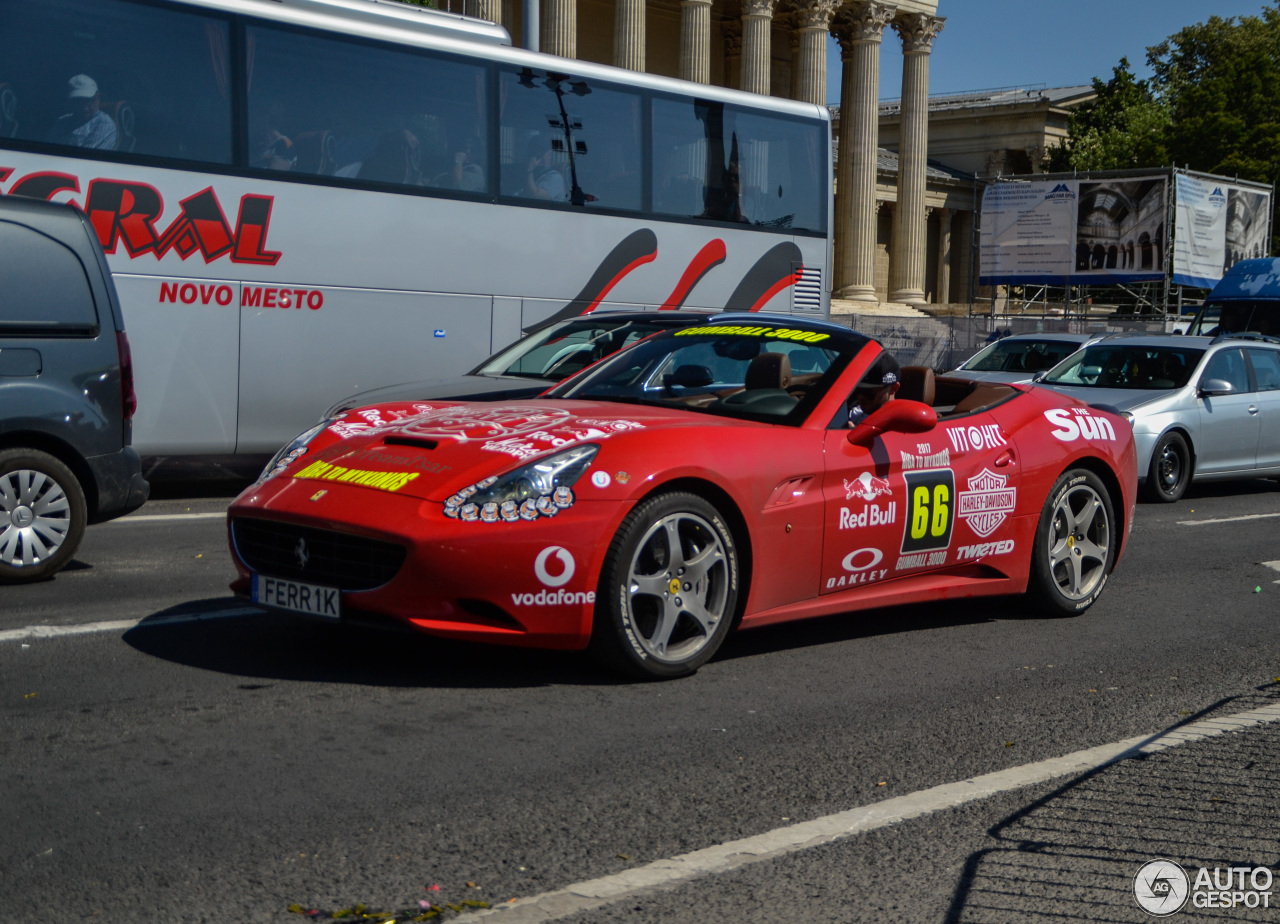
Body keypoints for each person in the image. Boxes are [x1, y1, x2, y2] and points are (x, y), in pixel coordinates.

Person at [49, 74, 117, 150]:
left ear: (98, 98)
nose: (84, 107)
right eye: (78, 101)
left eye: (88, 101)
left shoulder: (104, 125)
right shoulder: (61, 121)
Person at [848, 353, 900, 426]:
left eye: (869, 392)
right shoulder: (855, 414)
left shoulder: (901, 424)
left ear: (893, 388)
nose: (861, 396)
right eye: (858, 390)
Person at [521, 134, 565, 200]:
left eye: (541, 152)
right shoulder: (533, 174)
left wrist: (529, 169)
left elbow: (537, 196)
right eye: (535, 152)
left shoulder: (555, 177)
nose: (537, 156)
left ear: (550, 154)